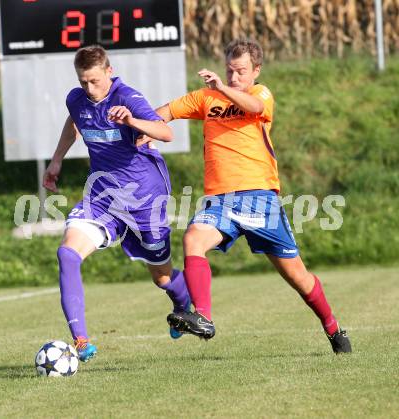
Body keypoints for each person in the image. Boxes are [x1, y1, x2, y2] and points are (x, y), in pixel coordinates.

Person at [148, 38, 351, 354]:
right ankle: (203, 316)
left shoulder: (260, 93)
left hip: (259, 198)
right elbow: (164, 113)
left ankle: (333, 328)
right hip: (220, 200)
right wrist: (142, 130)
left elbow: (254, 107)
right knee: (192, 239)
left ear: (256, 70)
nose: (233, 77)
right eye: (229, 71)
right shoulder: (206, 99)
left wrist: (224, 88)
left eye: (240, 71)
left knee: (298, 277)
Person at [43, 45, 190, 362]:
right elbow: (74, 122)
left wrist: (134, 121)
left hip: (144, 198)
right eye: (83, 81)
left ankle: (183, 307)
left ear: (109, 71)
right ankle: (81, 341)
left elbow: (165, 133)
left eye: (94, 81)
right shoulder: (77, 99)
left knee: (162, 277)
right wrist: (56, 161)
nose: (89, 88)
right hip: (102, 197)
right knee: (67, 253)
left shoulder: (128, 97)